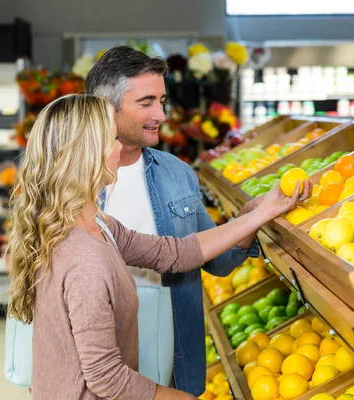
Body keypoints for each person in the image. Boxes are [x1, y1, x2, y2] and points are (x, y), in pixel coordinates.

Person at [6, 94, 310, 400]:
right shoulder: (84, 260)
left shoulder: (98, 227)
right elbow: (105, 377)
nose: (119, 147)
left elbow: (175, 253)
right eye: (112, 138)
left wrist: (261, 213)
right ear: (88, 153)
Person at [85, 46, 264, 395]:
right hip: (101, 358)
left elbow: (218, 260)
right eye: (147, 102)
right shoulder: (71, 183)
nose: (162, 115)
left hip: (173, 356)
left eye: (162, 101)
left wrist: (250, 220)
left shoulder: (176, 173)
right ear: (107, 108)